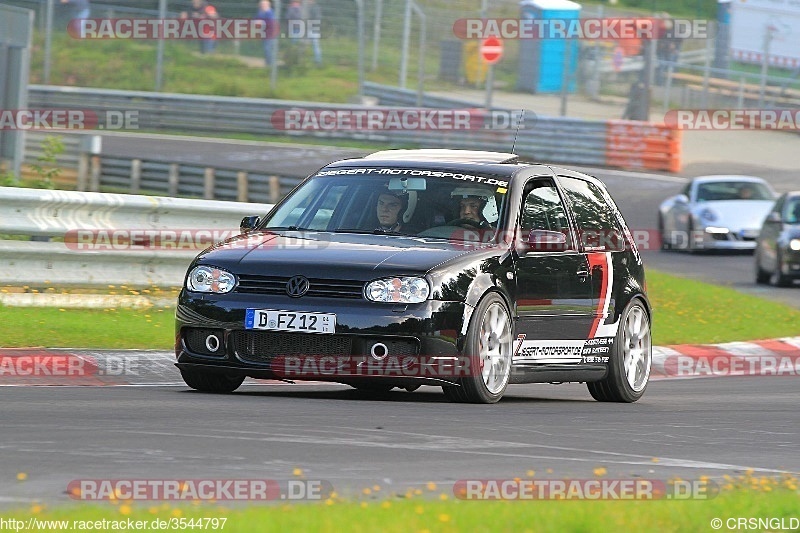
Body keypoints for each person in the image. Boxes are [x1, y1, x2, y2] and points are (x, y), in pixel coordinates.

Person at [256, 0, 276, 68]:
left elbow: (271, 23)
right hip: (264, 33)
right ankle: (268, 63)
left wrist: (262, 22)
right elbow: (256, 19)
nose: (262, 6)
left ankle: (270, 64)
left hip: (270, 33)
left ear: (267, 5)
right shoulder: (261, 12)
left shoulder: (270, 12)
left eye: (264, 5)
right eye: (261, 4)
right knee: (266, 49)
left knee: (268, 49)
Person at [306, 0, 322, 65]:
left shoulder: (315, 8)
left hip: (314, 29)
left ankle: (318, 61)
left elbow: (316, 18)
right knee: (312, 45)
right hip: (312, 29)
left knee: (315, 45)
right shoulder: (311, 7)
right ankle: (314, 60)